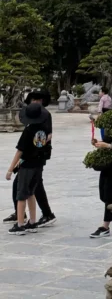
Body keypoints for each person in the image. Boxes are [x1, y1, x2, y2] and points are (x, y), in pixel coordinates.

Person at [4, 90, 56, 228]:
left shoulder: (44, 116)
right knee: (30, 188)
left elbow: (21, 150)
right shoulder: (35, 122)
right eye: (33, 99)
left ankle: (41, 214)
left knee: (29, 188)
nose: (35, 102)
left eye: (37, 99)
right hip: (34, 156)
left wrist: (38, 142)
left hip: (34, 156)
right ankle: (23, 215)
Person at [89, 130, 112, 237]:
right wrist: (98, 143)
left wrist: (107, 145)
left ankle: (105, 226)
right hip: (106, 164)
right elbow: (107, 144)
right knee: (103, 196)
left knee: (108, 196)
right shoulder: (107, 128)